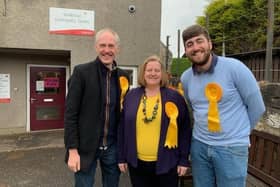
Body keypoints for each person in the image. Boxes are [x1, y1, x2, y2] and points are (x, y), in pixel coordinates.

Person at [180, 24, 266, 187]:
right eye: (190, 44)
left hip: (231, 149)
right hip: (199, 146)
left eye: (199, 41)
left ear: (210, 44)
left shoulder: (235, 68)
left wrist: (239, 135)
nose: (196, 47)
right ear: (186, 50)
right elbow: (193, 107)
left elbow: (257, 106)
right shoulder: (186, 78)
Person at [64, 28, 130, 187]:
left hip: (112, 147)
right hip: (85, 147)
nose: (106, 50)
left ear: (117, 49)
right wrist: (72, 150)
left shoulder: (123, 76)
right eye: (102, 45)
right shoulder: (81, 73)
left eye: (111, 46)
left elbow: (124, 114)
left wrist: (125, 150)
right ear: (96, 47)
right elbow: (70, 114)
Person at [118, 55, 192, 187]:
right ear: (143, 73)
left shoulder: (175, 97)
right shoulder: (131, 96)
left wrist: (183, 160)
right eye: (149, 70)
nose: (153, 73)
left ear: (163, 74)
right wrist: (121, 157)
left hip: (168, 163)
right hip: (137, 164)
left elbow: (185, 130)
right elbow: (122, 128)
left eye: (157, 70)